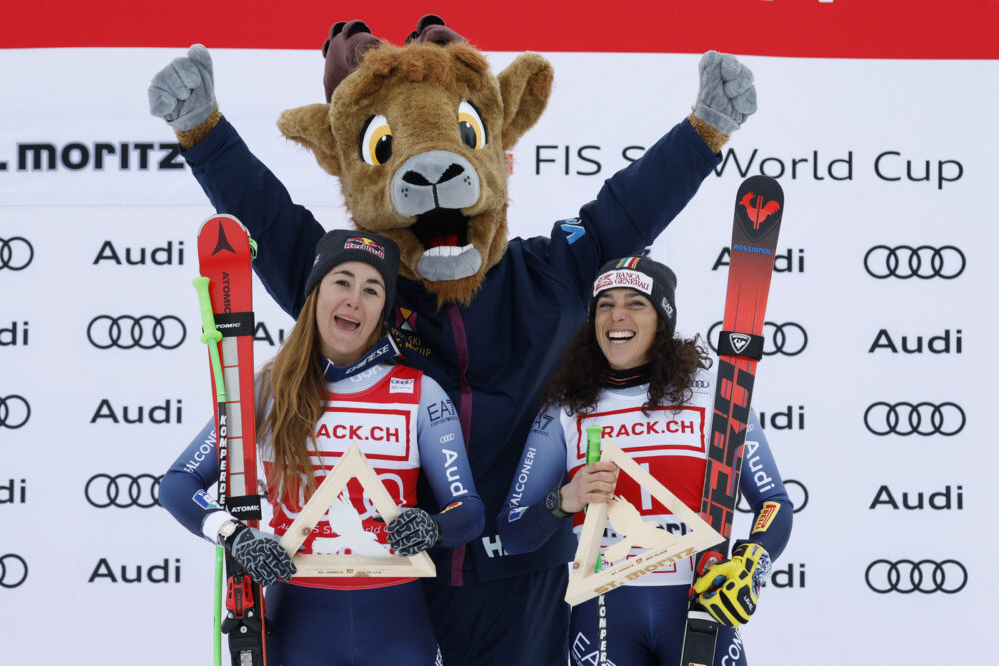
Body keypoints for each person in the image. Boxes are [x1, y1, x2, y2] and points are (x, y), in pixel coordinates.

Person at [148, 20, 758, 664]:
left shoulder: (546, 272)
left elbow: (626, 210)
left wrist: (703, 133)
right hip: (405, 580)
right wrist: (205, 134)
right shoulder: (367, 291)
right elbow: (269, 220)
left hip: (532, 579)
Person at [159, 229, 485, 665]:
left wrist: (432, 526)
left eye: (372, 290)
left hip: (396, 623)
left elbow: (469, 512)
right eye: (342, 281)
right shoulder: (266, 391)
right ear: (315, 294)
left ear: (382, 312)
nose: (354, 299)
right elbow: (178, 484)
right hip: (298, 621)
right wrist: (235, 536)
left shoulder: (419, 393)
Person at [498, 256, 793, 666]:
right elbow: (512, 532)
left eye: (635, 302)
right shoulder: (565, 410)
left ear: (662, 318)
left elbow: (773, 500)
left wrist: (753, 560)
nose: (617, 315)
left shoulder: (713, 394)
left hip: (701, 607)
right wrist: (565, 499)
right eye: (605, 304)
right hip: (604, 614)